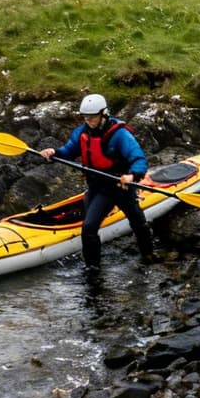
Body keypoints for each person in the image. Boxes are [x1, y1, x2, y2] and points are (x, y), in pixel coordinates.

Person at [41, 94, 157, 268]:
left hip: (120, 186)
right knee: (89, 229)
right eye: (86, 118)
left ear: (104, 113)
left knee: (138, 222)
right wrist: (54, 153)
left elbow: (139, 159)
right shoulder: (82, 132)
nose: (89, 121)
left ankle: (148, 256)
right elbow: (69, 150)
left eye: (93, 118)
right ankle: (93, 270)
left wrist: (133, 175)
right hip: (97, 187)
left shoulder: (120, 135)